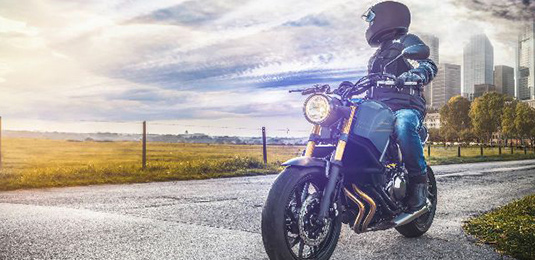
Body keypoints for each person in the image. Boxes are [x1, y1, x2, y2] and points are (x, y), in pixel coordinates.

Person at [361, 1, 438, 212]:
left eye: (371, 19)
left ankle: (418, 183)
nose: (370, 24)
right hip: (379, 110)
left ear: (387, 17)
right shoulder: (376, 56)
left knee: (403, 124)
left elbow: (427, 64)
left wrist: (416, 74)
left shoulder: (406, 43)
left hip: (405, 108)